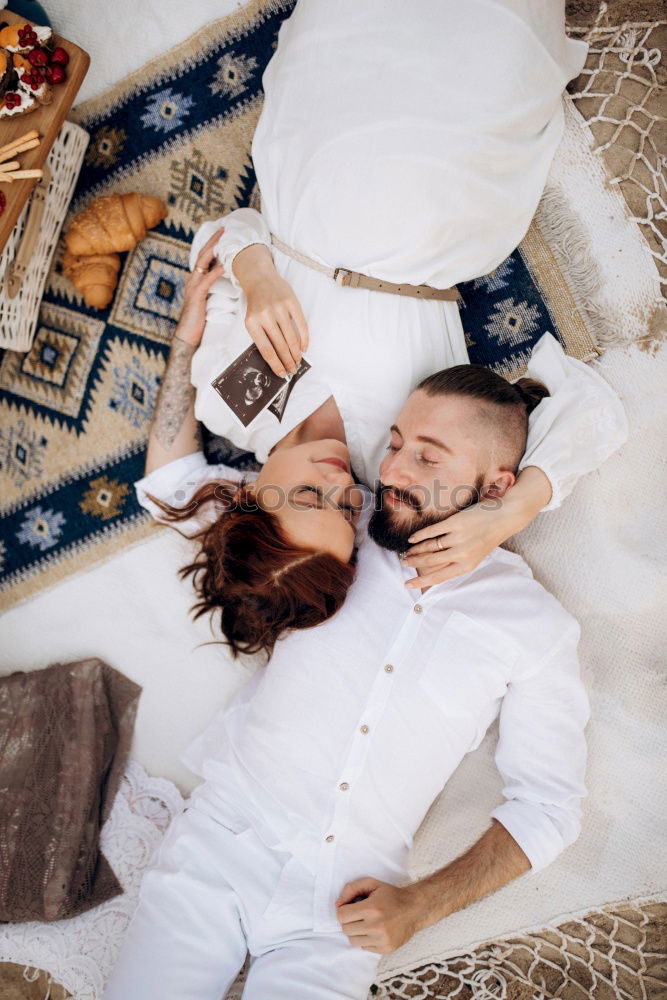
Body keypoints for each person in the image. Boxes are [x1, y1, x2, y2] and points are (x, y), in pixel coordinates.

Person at [105, 316, 589, 1000]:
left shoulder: (534, 627)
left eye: (428, 456)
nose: (388, 470)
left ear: (492, 487)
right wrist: (186, 340)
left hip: (344, 912)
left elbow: (549, 806)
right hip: (220, 846)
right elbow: (170, 489)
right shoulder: (334, 527)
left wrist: (422, 905)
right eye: (394, 444)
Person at [157, 0, 627, 649]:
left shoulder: (226, 401)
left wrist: (258, 274)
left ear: (245, 494)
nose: (338, 485)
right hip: (448, 166)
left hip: (318, 129)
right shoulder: (404, 460)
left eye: (306, 499)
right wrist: (508, 512)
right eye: (347, 512)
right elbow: (589, 411)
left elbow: (220, 237)